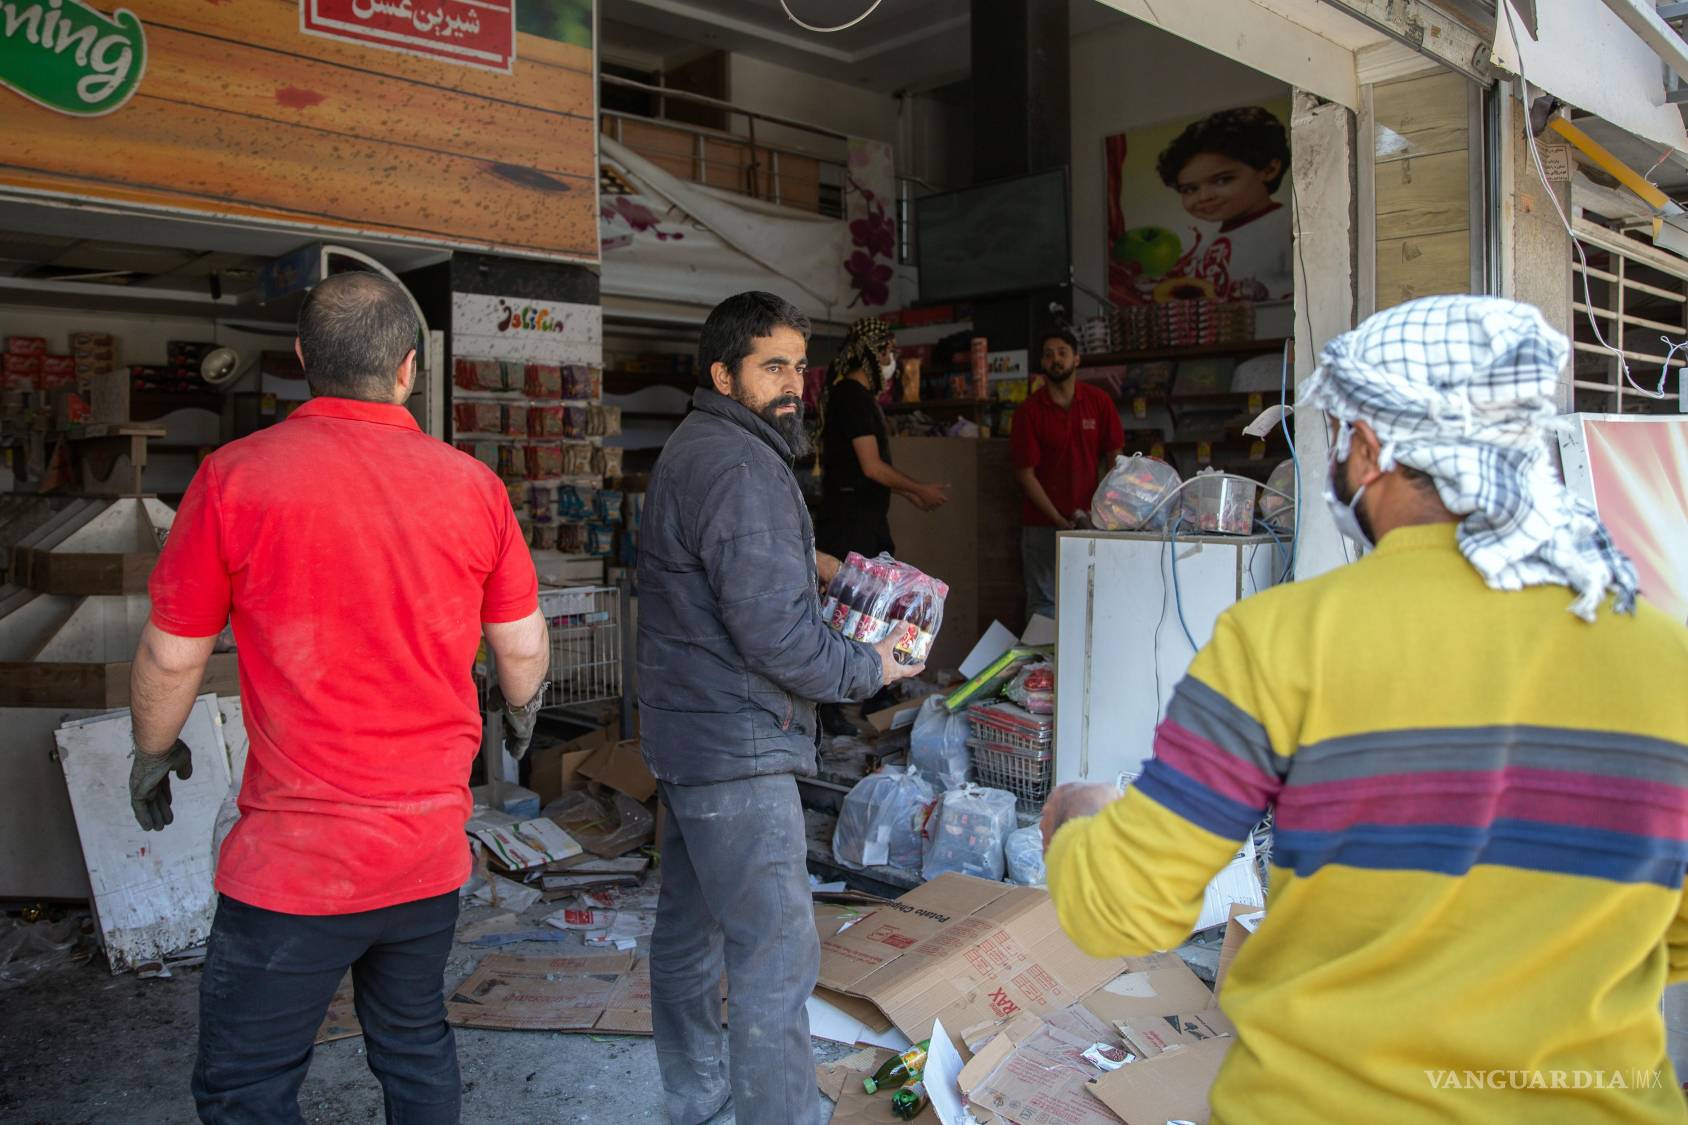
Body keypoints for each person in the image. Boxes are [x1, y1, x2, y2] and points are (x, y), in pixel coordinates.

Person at [1039, 296, 1688, 1123]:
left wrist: (1079, 820)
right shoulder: (1665, 654)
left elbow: (1123, 906)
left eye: (1340, 438)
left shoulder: (1282, 638)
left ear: (1373, 448)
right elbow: (1675, 935)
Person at [126, 271, 550, 1124]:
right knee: (415, 1044)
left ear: (299, 361)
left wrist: (152, 749)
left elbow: (172, 656)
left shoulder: (233, 477)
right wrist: (519, 708)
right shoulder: (474, 487)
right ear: (407, 369)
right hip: (426, 856)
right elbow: (523, 643)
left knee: (248, 1085)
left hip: (293, 867)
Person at [636, 291, 924, 1125]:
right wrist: (872, 663)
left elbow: (755, 572)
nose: (794, 383)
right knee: (775, 955)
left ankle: (695, 1094)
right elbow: (776, 636)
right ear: (723, 373)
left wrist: (836, 575)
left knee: (692, 932)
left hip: (691, 736)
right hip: (738, 745)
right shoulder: (740, 465)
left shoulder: (705, 446)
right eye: (772, 366)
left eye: (800, 366)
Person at [1010, 328, 1124, 621]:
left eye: (1062, 353)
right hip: (1042, 525)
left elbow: (1116, 458)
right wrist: (1059, 520)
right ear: (1042, 363)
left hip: (1093, 521)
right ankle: (1040, 668)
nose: (1055, 360)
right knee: (1044, 604)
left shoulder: (1099, 402)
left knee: (1093, 599)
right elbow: (1026, 475)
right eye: (1048, 355)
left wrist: (1102, 509)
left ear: (1077, 359)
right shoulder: (1029, 412)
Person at [814, 314, 948, 561]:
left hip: (862, 522)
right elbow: (872, 467)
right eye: (890, 352)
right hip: (850, 527)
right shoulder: (852, 397)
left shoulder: (857, 396)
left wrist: (911, 494)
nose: (893, 360)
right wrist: (919, 489)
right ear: (877, 353)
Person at [1155, 105, 1293, 302]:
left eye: (1222, 180)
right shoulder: (1209, 239)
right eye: (1190, 189)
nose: (1204, 197)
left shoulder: (1287, 225)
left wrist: (1264, 291)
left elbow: (1310, 283)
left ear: (1268, 169)